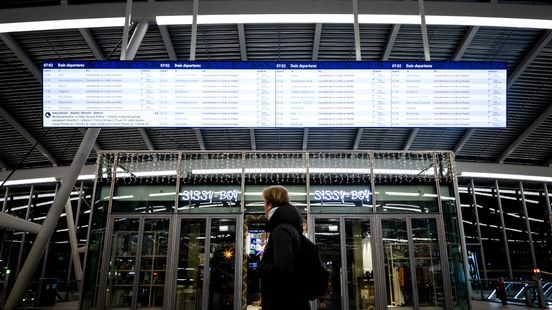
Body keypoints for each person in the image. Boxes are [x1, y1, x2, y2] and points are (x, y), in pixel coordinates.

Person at [258, 185, 310, 310]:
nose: (263, 207)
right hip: (294, 300)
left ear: (270, 205)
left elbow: (282, 270)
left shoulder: (280, 230)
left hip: (282, 302)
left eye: (264, 203)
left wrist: (263, 266)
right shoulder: (291, 227)